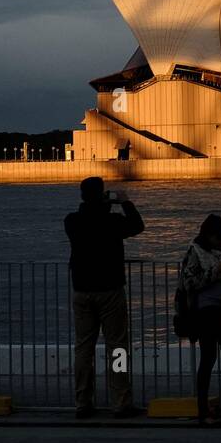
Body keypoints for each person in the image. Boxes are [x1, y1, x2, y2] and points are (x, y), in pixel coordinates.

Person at [63, 177, 144, 419]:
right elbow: (137, 226)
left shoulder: (72, 221)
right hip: (110, 289)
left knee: (83, 349)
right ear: (102, 197)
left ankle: (82, 402)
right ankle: (120, 401)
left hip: (81, 290)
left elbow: (87, 219)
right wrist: (125, 202)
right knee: (117, 347)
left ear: (82, 196)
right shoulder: (113, 221)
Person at [180, 214, 221, 425]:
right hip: (205, 311)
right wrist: (215, 273)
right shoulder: (194, 252)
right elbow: (190, 283)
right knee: (208, 359)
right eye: (220, 238)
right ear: (209, 236)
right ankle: (202, 410)